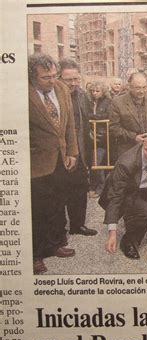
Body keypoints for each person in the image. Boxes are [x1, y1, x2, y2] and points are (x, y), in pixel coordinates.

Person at [28, 53, 78, 274]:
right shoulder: (23, 94)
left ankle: (57, 243)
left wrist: (73, 152)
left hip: (61, 159)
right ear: (32, 77)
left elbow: (69, 124)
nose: (52, 81)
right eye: (45, 77)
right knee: (38, 209)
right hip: (36, 164)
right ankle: (36, 255)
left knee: (59, 203)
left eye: (54, 75)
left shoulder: (61, 89)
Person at [58, 58, 97, 237]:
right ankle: (58, 231)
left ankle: (77, 225)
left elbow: (86, 122)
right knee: (60, 192)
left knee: (80, 189)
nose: (73, 83)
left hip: (80, 152)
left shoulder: (82, 94)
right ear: (59, 78)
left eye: (76, 79)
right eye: (69, 80)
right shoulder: (54, 95)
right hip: (60, 155)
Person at [109, 72, 147, 158]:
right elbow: (114, 127)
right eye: (138, 88)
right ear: (129, 87)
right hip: (128, 148)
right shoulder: (117, 102)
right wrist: (134, 137)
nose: (142, 91)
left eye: (144, 87)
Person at [87, 81, 112, 197]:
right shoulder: (89, 102)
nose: (95, 93)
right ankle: (92, 185)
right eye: (93, 91)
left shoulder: (108, 102)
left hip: (102, 137)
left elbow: (108, 115)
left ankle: (101, 187)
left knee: (98, 162)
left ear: (103, 92)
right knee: (92, 163)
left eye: (98, 91)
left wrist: (92, 117)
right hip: (90, 136)